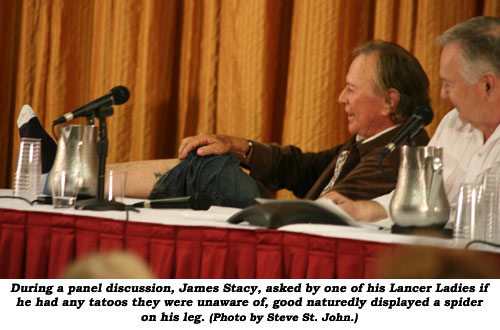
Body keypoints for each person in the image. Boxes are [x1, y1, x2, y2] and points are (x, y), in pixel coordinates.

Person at [174, 40, 430, 202]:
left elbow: (330, 208)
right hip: (298, 225)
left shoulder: (400, 153)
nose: (341, 99)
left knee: (210, 171)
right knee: (209, 163)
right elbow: (302, 169)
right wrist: (237, 146)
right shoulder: (367, 143)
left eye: (351, 89)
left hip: (301, 234)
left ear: (389, 101)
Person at [324, 16, 500, 222]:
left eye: (449, 84)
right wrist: (360, 210)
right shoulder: (452, 123)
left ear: (487, 85)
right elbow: (419, 199)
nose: (443, 94)